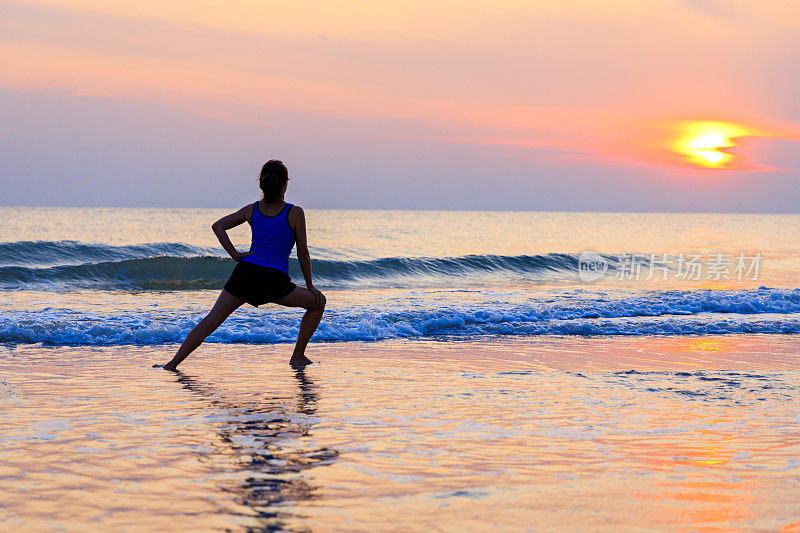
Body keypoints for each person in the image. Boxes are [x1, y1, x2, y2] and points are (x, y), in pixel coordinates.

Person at [162, 160, 326, 370]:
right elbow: (303, 252)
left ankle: (172, 364)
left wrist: (235, 254)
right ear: (285, 184)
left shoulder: (253, 210)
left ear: (262, 183)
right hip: (273, 281)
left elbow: (218, 226)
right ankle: (297, 356)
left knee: (211, 320)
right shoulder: (294, 213)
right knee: (318, 303)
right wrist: (311, 286)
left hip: (246, 273)